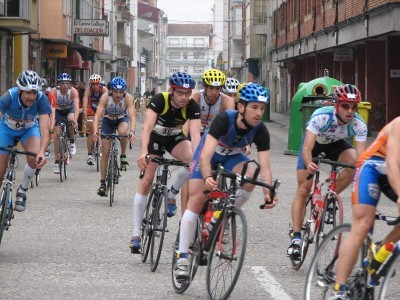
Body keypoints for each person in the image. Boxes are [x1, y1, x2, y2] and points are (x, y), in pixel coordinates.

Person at [173, 83, 279, 281]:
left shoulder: (260, 130)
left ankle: (223, 213)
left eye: (262, 108)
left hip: (233, 157)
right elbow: (205, 156)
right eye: (254, 107)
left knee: (253, 172)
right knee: (196, 201)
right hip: (209, 155)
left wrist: (268, 193)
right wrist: (207, 178)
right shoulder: (224, 120)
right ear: (241, 107)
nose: (259, 113)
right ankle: (183, 257)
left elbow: (265, 167)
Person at [287, 84, 368, 259]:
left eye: (354, 107)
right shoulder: (321, 116)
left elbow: (361, 158)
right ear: (336, 105)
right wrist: (309, 163)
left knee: (354, 164)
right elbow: (307, 148)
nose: (350, 111)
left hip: (336, 144)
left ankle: (329, 196)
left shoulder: (359, 124)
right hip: (314, 145)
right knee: (304, 188)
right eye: (345, 106)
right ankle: (296, 237)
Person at [130, 71, 201, 254]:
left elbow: (195, 135)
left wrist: (201, 159)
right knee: (146, 181)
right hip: (155, 138)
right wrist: (144, 151)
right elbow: (146, 127)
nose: (184, 97)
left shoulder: (192, 106)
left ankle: (172, 192)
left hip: (174, 138)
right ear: (172, 91)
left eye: (187, 93)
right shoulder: (160, 99)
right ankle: (136, 234)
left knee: (193, 159)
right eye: (180, 93)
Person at [167, 69, 235, 217]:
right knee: (190, 168)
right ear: (204, 87)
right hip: (195, 133)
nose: (214, 92)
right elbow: (186, 122)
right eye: (211, 88)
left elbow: (232, 125)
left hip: (214, 137)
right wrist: (183, 140)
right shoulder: (196, 98)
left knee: (218, 169)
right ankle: (184, 215)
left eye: (217, 88)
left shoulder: (227, 102)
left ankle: (218, 217)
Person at [0, 70, 51, 211]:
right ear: (20, 90)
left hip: (29, 129)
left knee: (34, 158)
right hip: (6, 129)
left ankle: (22, 191)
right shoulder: (8, 97)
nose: (31, 96)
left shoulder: (42, 99)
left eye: (34, 92)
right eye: (28, 92)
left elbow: (45, 131)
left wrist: (42, 151)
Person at [92, 76, 136, 196]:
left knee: (123, 132)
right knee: (105, 152)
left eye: (120, 92)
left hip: (122, 119)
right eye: (116, 91)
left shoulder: (128, 98)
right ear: (111, 90)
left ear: (124, 91)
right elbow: (97, 116)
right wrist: (95, 131)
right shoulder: (106, 97)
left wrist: (132, 131)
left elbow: (132, 116)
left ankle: (122, 155)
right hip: (108, 120)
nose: (118, 94)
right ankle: (102, 183)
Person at [49, 73, 80, 174]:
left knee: (71, 119)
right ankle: (57, 161)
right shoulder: (53, 92)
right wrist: (51, 124)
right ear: (59, 84)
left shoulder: (73, 91)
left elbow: (76, 107)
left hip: (68, 110)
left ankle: (71, 141)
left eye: (67, 83)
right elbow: (52, 110)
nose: (65, 85)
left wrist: (75, 120)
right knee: (57, 134)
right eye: (63, 83)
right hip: (57, 111)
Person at [82, 74, 108, 166]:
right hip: (92, 109)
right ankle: (89, 155)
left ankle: (100, 146)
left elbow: (107, 103)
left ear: (100, 84)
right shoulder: (88, 91)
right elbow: (85, 102)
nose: (95, 86)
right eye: (93, 84)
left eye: (97, 84)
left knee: (102, 127)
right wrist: (84, 115)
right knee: (92, 130)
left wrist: (106, 115)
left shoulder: (104, 90)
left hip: (101, 108)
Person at [41, 78, 56, 159]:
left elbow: (52, 113)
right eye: (40, 88)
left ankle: (46, 147)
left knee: (47, 128)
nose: (42, 90)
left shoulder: (50, 96)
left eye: (43, 88)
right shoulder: (33, 95)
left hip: (46, 114)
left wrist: (51, 127)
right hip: (35, 115)